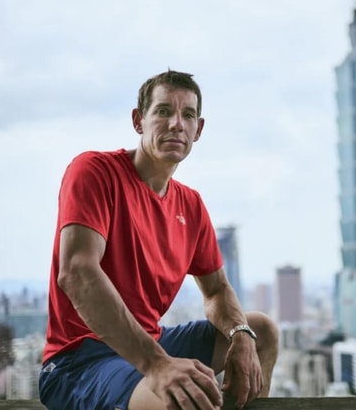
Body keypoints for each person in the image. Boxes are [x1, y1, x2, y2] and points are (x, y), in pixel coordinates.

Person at [38, 70, 279, 410]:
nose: (176, 124)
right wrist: (158, 366)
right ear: (139, 121)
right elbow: (77, 273)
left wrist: (240, 333)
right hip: (81, 361)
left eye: (188, 115)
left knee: (261, 331)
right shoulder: (94, 171)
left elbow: (216, 291)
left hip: (151, 344)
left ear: (198, 130)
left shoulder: (190, 204)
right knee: (177, 397)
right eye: (164, 111)